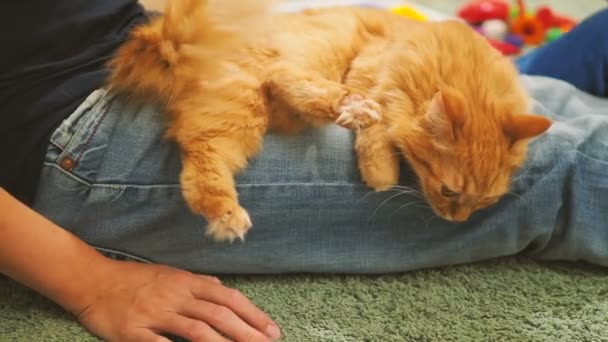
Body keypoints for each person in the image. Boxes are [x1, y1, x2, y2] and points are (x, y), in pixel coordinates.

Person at [1, 0, 607, 340]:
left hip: (133, 49)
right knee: (568, 167)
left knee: (543, 108)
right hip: (76, 135)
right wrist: (92, 282)